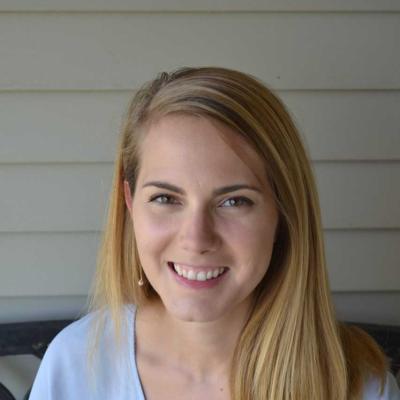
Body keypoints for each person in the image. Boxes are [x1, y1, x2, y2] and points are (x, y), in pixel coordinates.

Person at [29, 67, 400, 400]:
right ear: (129, 204)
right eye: (165, 198)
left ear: (283, 215)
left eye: (234, 201)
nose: (196, 239)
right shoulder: (77, 364)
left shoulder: (356, 384)